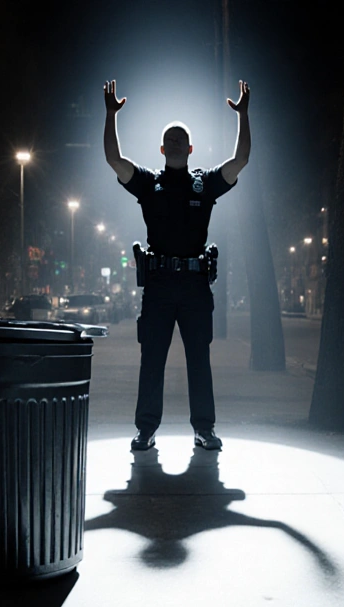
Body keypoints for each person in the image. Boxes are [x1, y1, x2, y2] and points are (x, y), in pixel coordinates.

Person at [103, 78, 251, 452]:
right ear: (161, 147)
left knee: (199, 359)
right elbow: (114, 160)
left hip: (195, 286)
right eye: (168, 138)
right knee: (151, 358)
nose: (172, 143)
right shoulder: (149, 183)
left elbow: (241, 160)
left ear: (189, 147)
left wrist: (243, 117)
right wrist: (110, 116)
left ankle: (204, 429)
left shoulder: (204, 184)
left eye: (178, 138)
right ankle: (146, 430)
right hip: (159, 285)